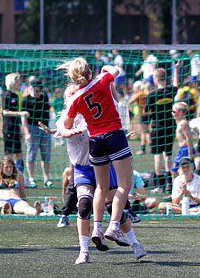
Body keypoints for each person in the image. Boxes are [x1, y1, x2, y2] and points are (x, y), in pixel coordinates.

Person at [43, 87, 145, 263]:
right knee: (83, 205)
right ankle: (84, 251)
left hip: (104, 166)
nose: (73, 98)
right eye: (70, 96)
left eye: (76, 94)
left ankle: (135, 244)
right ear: (67, 101)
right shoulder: (65, 119)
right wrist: (70, 132)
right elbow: (63, 130)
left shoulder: (92, 115)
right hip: (82, 169)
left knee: (115, 209)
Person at [59, 57, 134, 248]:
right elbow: (115, 70)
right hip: (114, 135)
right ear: (89, 72)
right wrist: (103, 69)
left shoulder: (76, 98)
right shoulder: (102, 80)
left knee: (101, 187)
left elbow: (66, 124)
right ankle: (114, 225)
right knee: (124, 185)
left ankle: (97, 228)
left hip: (95, 141)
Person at [145, 67, 179, 193]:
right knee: (168, 156)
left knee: (158, 156)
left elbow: (146, 111)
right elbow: (176, 85)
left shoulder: (152, 94)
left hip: (157, 128)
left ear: (155, 79)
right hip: (170, 127)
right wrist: (176, 69)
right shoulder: (171, 91)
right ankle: (170, 184)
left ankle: (160, 186)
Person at [22, 77, 53, 188]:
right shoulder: (26, 100)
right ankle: (31, 178)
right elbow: (23, 118)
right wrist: (27, 133)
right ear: (32, 88)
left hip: (45, 129)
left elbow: (49, 108)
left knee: (46, 155)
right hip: (32, 128)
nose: (39, 91)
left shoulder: (44, 97)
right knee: (31, 155)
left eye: (40, 88)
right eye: (36, 89)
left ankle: (47, 179)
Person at [2, 73, 29, 169]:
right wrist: (20, 113)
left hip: (16, 127)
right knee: (9, 153)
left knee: (19, 152)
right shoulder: (6, 95)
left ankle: (20, 174)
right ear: (12, 82)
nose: (19, 83)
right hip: (8, 127)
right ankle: (6, 173)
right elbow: (5, 112)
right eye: (17, 81)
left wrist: (20, 128)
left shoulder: (16, 96)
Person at [170, 102, 197, 174]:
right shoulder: (181, 122)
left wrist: (190, 153)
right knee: (177, 171)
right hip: (182, 149)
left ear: (181, 112)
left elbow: (188, 138)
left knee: (175, 170)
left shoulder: (183, 123)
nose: (172, 113)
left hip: (185, 149)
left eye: (174, 111)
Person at [128, 80, 150, 155]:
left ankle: (152, 147)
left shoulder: (139, 93)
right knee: (144, 132)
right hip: (147, 114)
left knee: (145, 131)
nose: (133, 89)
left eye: (134, 87)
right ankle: (143, 148)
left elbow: (130, 101)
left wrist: (133, 94)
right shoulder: (144, 93)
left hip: (143, 114)